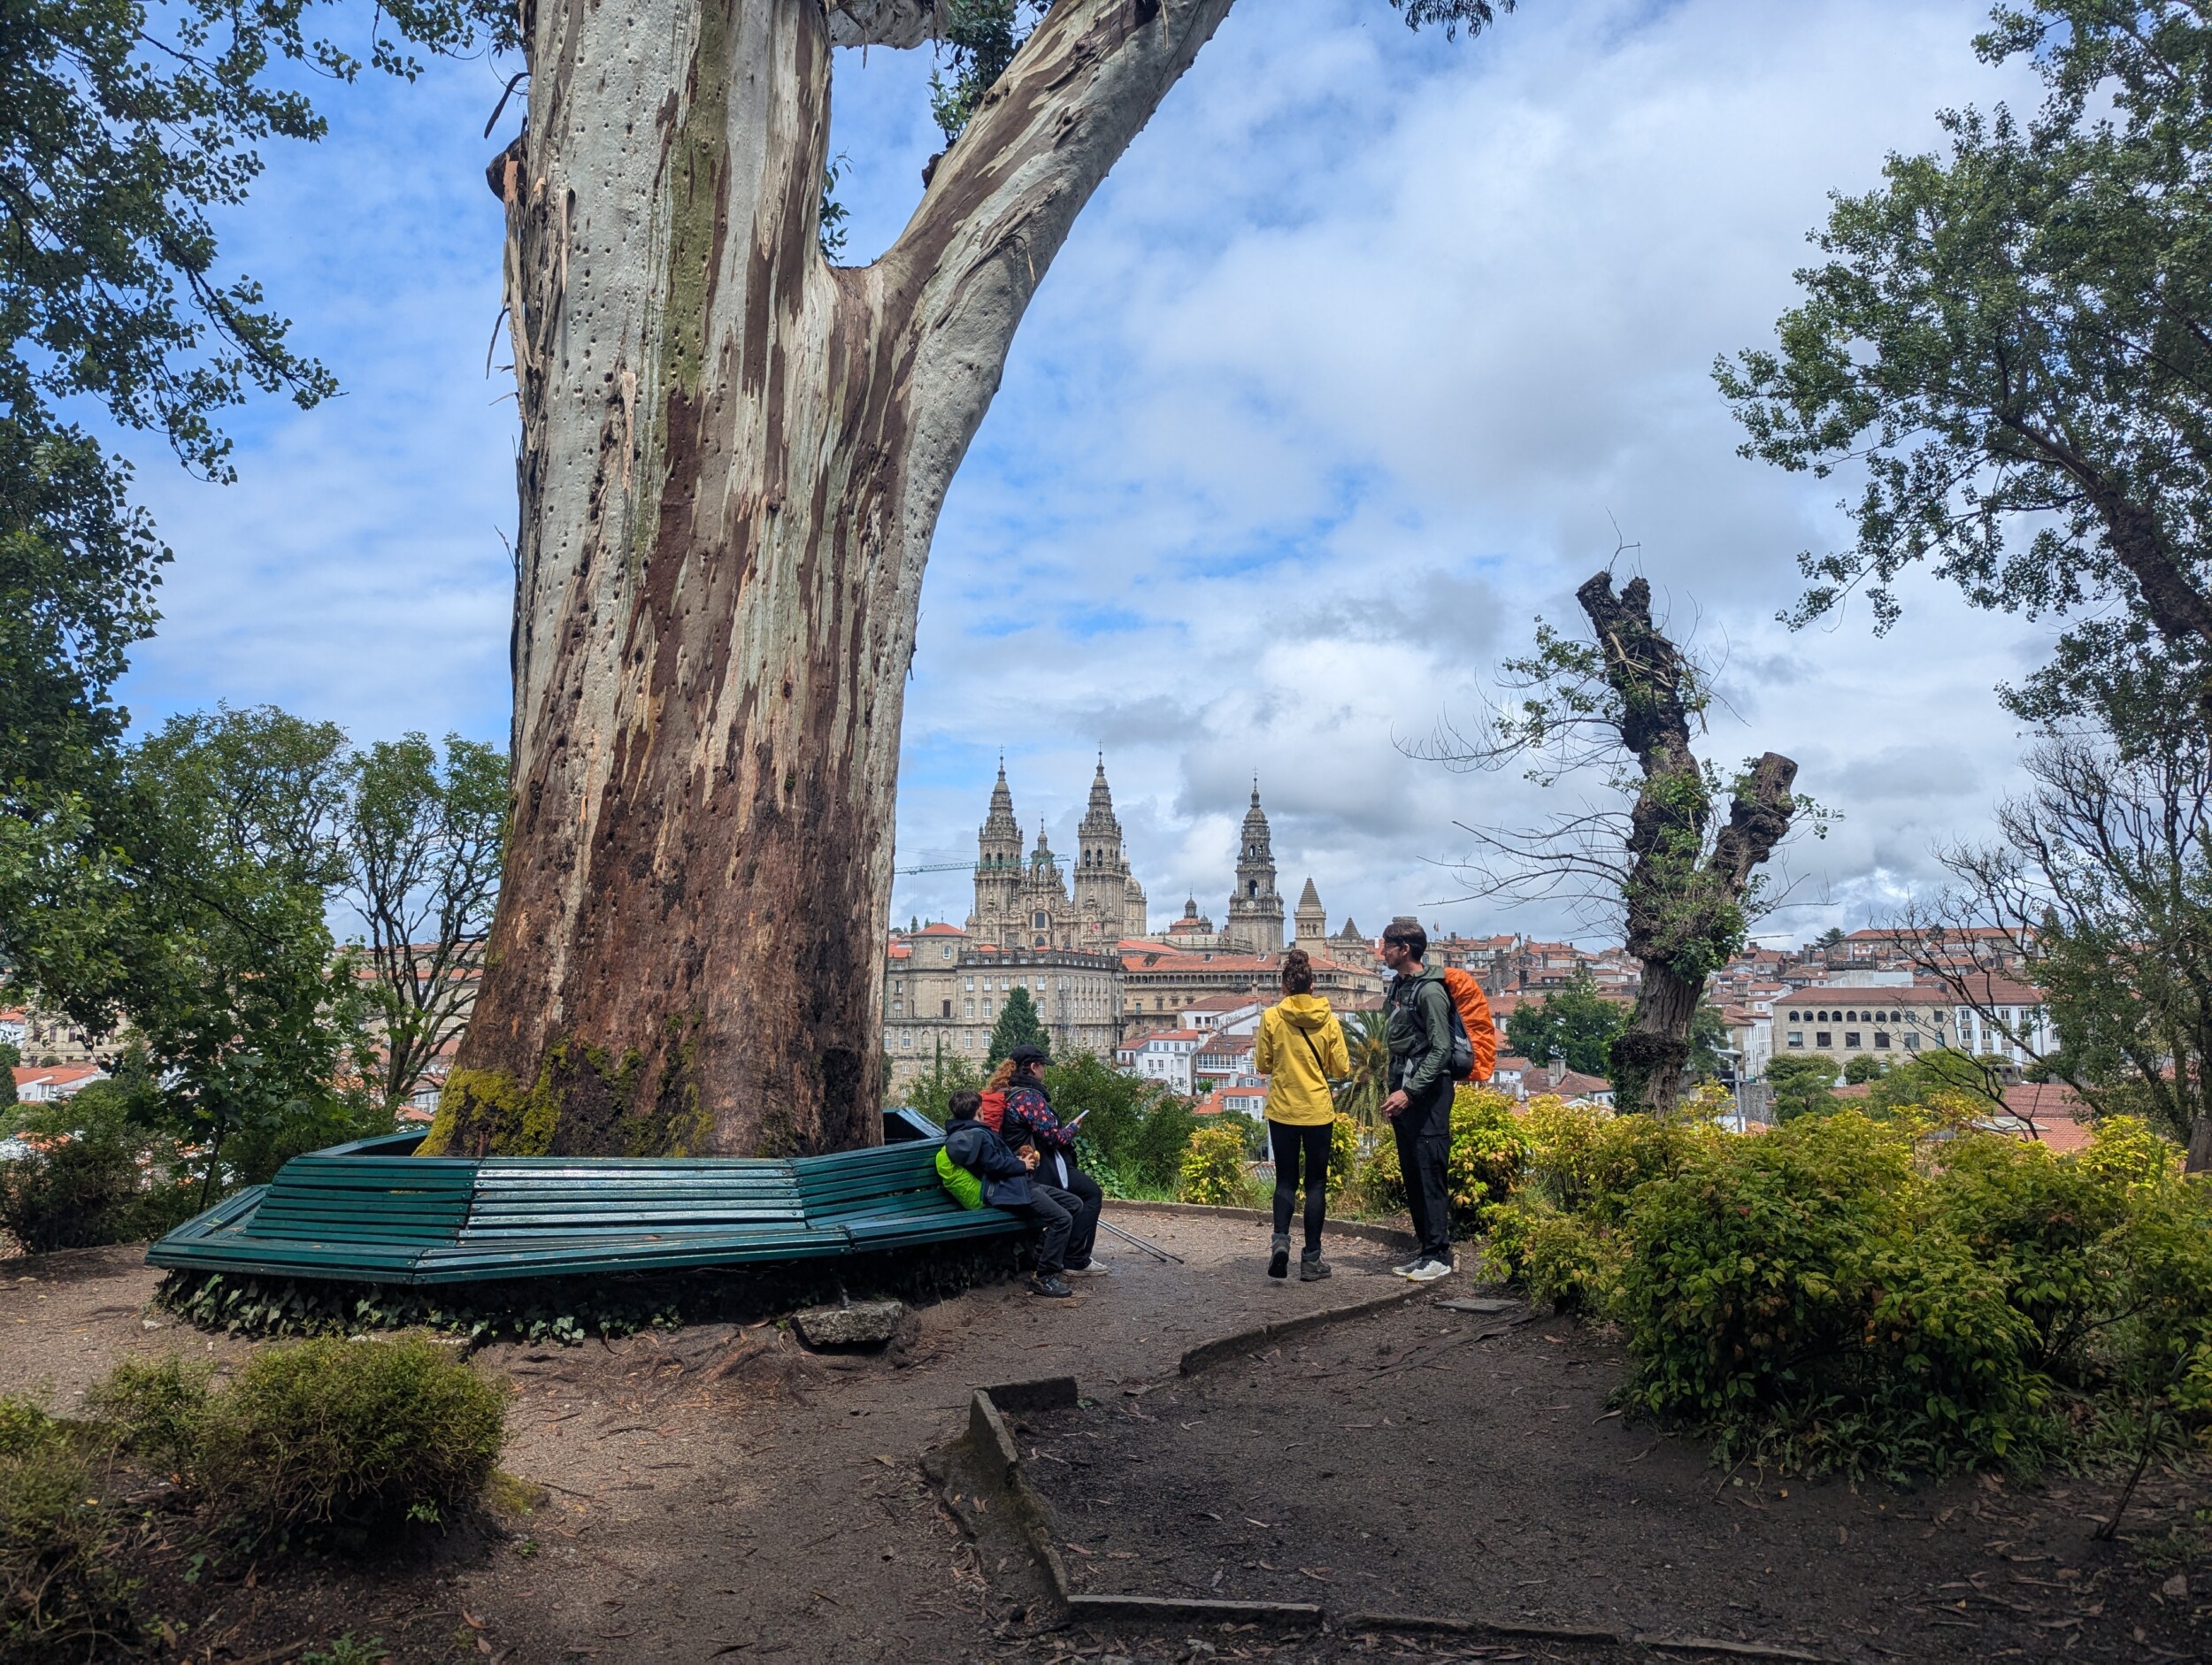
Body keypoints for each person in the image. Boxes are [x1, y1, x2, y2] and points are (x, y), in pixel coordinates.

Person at [1253, 948, 1349, 1281]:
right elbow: (1342, 1067)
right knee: (1316, 1184)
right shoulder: (1329, 1019)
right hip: (1318, 1111)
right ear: (1312, 986)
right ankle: (1311, 1260)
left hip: (1283, 1109)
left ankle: (1281, 1241)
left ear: (1283, 987)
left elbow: (1262, 1063)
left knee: (1285, 1180)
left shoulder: (1271, 1017)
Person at [941, 1088, 1082, 1298]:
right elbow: (992, 1165)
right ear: (979, 1110)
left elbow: (992, 1162)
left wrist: (1019, 1160)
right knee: (1062, 1219)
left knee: (1074, 1204)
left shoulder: (965, 1133)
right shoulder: (977, 1135)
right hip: (1010, 1190)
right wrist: (1021, 1165)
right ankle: (1044, 1276)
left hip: (1018, 1185)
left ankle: (1039, 1255)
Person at [986, 1043, 1107, 1276]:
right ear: (1033, 1067)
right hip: (1035, 1169)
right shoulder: (1028, 1098)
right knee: (1091, 1193)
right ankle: (1076, 1259)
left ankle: (1064, 1254)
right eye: (1043, 1066)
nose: (1045, 1071)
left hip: (1019, 1165)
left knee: (1079, 1196)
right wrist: (1073, 1127)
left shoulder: (1009, 1091)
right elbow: (1054, 1138)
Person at [1379, 920, 1455, 1282]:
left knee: (1430, 1174)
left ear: (1405, 949)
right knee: (1413, 1174)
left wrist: (1409, 1092)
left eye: (1387, 946)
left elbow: (1441, 1050)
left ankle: (1439, 1255)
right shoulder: (1399, 986)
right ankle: (1426, 1251)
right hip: (1405, 1094)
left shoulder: (1430, 992)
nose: (1382, 952)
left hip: (1429, 1097)